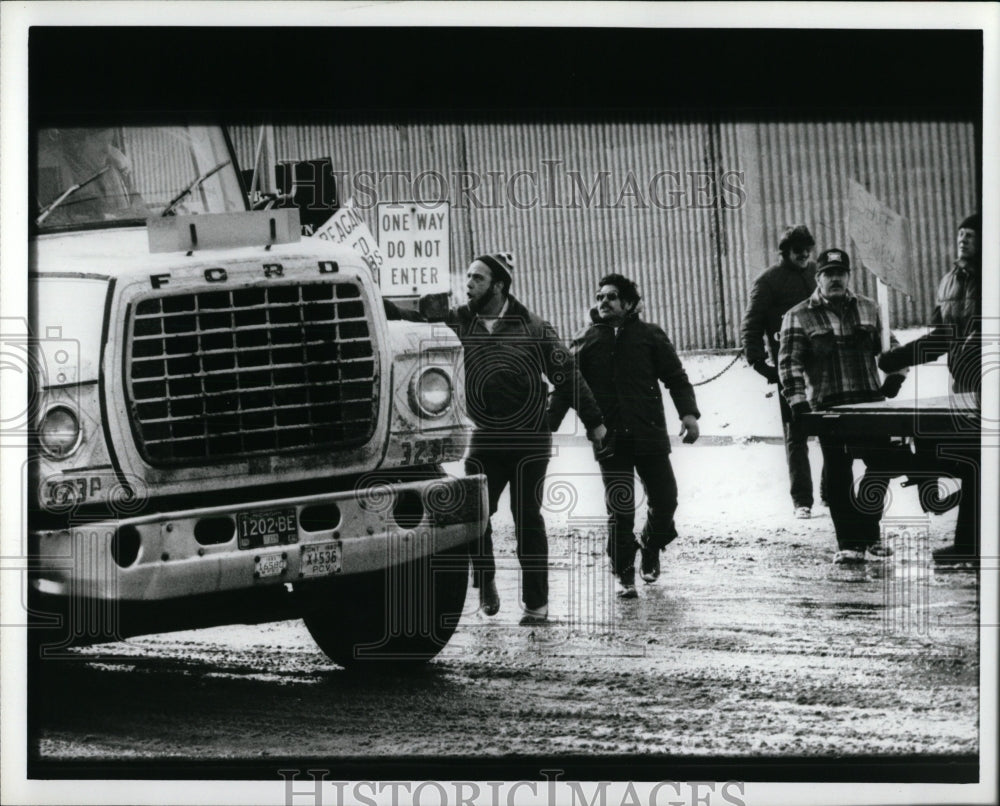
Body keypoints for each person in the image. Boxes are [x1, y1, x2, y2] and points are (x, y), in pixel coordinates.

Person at [402, 253, 607, 625]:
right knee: (474, 515)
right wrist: (410, 305)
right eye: (467, 277)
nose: (469, 284)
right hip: (484, 439)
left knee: (527, 518)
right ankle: (486, 581)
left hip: (529, 440)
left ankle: (536, 603)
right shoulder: (460, 321)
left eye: (477, 278)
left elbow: (566, 373)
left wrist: (594, 423)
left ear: (499, 285)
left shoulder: (532, 326)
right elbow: (412, 324)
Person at [548, 274, 700, 598]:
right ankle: (624, 573)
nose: (603, 301)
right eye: (600, 296)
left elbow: (676, 377)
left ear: (629, 303)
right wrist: (547, 424)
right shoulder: (585, 341)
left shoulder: (650, 336)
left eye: (612, 296)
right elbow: (566, 388)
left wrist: (688, 414)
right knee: (621, 508)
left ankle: (650, 543)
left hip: (649, 435)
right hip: (609, 438)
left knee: (666, 498)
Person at [778, 248, 908, 565]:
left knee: (881, 466)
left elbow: (893, 349)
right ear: (818, 277)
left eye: (840, 272)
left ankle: (869, 531)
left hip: (870, 405)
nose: (834, 279)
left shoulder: (870, 308)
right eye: (827, 273)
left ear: (848, 275)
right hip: (829, 409)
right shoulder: (798, 315)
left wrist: (895, 376)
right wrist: (798, 402)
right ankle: (849, 543)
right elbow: (788, 363)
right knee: (838, 473)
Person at [878, 213, 981, 565]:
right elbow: (942, 337)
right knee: (973, 463)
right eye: (960, 234)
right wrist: (899, 357)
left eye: (971, 235)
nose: (963, 240)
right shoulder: (950, 282)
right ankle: (968, 543)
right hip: (966, 387)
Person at [741, 224, 819, 519]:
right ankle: (802, 500)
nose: (804, 255)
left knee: (831, 429)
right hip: (789, 366)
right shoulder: (768, 281)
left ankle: (829, 492)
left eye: (807, 249)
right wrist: (760, 363)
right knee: (796, 432)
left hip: (824, 365)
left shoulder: (817, 273)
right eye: (798, 250)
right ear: (784, 252)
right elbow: (751, 323)